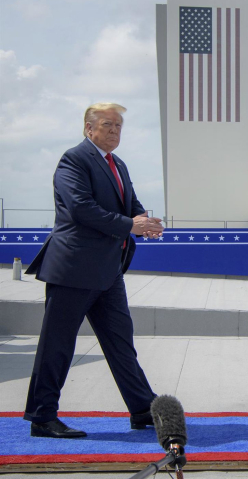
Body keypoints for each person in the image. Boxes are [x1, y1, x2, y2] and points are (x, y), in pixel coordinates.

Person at [24, 102, 164, 438]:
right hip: (73, 270)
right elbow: (81, 208)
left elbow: (130, 205)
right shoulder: (74, 160)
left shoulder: (118, 164)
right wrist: (129, 225)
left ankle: (142, 409)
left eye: (118, 126)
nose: (114, 131)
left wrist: (145, 222)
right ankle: (42, 417)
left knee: (120, 342)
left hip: (108, 271)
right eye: (107, 125)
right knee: (57, 345)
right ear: (89, 128)